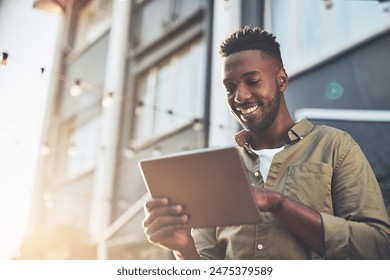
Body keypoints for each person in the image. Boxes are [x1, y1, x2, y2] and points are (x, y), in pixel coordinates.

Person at [142, 26, 390, 259]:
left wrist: (278, 204)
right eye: (230, 87)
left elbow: (378, 247)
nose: (240, 96)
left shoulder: (335, 146)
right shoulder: (218, 171)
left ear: (281, 80)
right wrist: (184, 247)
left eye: (252, 81)